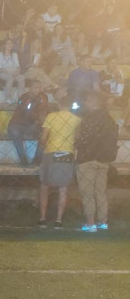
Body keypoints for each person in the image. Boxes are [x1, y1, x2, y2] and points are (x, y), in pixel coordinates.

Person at [75, 92, 118, 232]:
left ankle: (90, 223)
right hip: (104, 159)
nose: (85, 103)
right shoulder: (109, 119)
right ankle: (103, 222)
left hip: (87, 159)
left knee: (87, 192)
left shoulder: (89, 119)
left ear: (93, 102)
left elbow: (83, 139)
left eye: (87, 101)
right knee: (100, 192)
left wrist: (77, 144)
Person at [37, 92, 81, 228]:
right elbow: (78, 138)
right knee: (63, 188)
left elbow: (43, 138)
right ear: (71, 106)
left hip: (51, 151)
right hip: (67, 153)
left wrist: (43, 145)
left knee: (44, 186)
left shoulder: (51, 116)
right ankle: (58, 220)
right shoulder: (76, 119)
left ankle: (42, 219)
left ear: (59, 104)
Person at [7, 80, 49, 166]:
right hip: (20, 124)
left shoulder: (43, 97)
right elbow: (25, 114)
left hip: (34, 124)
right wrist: (37, 117)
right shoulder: (24, 98)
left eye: (39, 88)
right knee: (14, 132)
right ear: (30, 88)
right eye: (35, 88)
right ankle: (23, 159)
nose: (38, 90)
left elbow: (43, 111)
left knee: (46, 133)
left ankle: (37, 159)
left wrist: (39, 120)